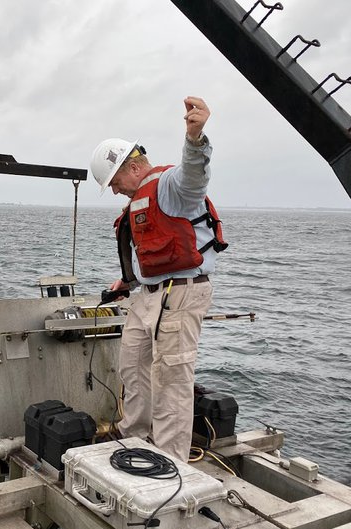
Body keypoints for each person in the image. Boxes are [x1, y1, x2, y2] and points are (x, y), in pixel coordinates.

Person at [89, 96, 227, 462]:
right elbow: (152, 253)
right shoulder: (139, 201)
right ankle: (134, 434)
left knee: (171, 379)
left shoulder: (169, 185)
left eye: (115, 182)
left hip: (181, 295)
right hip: (149, 295)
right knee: (132, 364)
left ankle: (169, 458)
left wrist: (195, 139)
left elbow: (194, 176)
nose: (115, 190)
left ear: (132, 168)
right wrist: (127, 281)